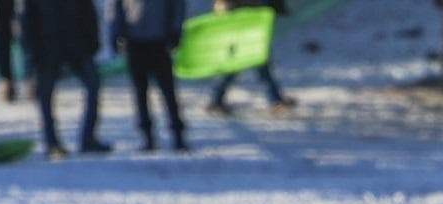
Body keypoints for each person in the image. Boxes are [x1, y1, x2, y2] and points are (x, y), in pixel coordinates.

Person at [22, 0, 111, 157]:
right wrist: (31, 59)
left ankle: (87, 137)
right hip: (47, 47)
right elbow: (28, 21)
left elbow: (88, 12)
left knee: (93, 85)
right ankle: (52, 143)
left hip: (77, 44)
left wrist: (93, 43)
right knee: (46, 96)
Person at [109, 0, 187, 151]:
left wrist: (176, 29)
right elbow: (115, 7)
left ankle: (177, 133)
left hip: (159, 39)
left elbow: (178, 5)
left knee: (168, 90)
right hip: (134, 40)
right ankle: (147, 136)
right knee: (140, 92)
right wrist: (116, 32)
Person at [206, 0, 295, 115]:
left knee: (249, 62)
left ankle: (216, 100)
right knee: (246, 62)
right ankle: (275, 100)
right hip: (240, 19)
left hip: (251, 18)